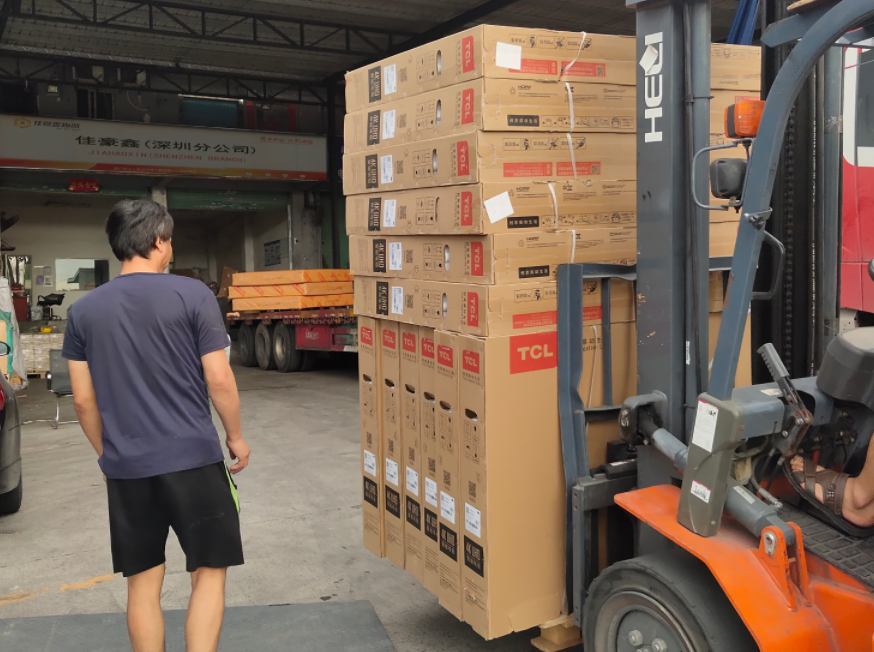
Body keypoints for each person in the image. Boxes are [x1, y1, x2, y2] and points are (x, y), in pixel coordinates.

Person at [64, 199, 250, 652]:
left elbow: (84, 401)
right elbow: (219, 378)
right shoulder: (193, 295)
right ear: (159, 241)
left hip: (128, 468)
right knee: (209, 572)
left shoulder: (83, 311)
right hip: (194, 460)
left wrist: (107, 455)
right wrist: (235, 437)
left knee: (143, 582)